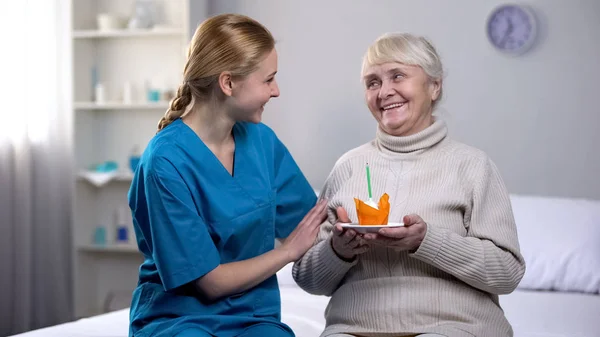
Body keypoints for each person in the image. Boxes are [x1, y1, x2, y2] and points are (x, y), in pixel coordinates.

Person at [292, 32, 526, 337]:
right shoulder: (347, 167)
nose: (384, 91)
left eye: (397, 76)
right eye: (372, 82)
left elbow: (506, 274)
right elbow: (308, 279)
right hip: (353, 328)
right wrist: (338, 250)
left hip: (454, 326)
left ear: (434, 85)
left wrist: (425, 241)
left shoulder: (473, 166)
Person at [127, 13, 327, 337]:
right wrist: (287, 252)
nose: (276, 91)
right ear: (228, 83)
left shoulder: (262, 144)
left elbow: (313, 225)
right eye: (268, 79)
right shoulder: (164, 163)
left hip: (254, 318)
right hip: (180, 320)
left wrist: (352, 233)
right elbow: (209, 283)